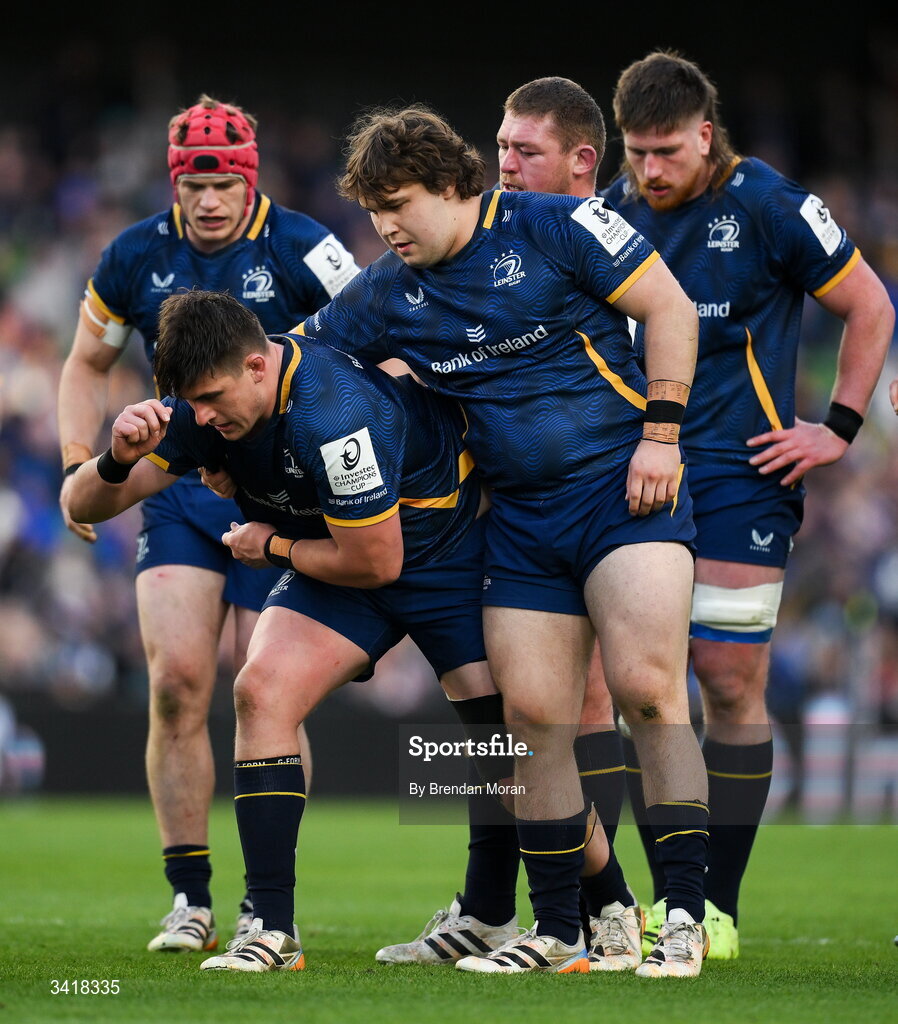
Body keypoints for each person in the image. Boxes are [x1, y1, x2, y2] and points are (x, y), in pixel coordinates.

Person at [299, 104, 712, 978]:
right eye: (373, 210)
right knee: (529, 727)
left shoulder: (556, 225)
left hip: (624, 492)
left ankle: (682, 917)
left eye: (399, 203)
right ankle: (560, 932)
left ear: (452, 186)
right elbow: (295, 363)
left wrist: (662, 435)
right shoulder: (384, 288)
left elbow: (673, 310)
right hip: (519, 522)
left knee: (646, 693)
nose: (384, 226)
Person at [67, 289, 517, 972]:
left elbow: (379, 560)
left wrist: (270, 547)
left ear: (257, 366)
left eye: (215, 398)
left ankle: (505, 914)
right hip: (338, 556)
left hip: (441, 550)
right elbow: (83, 502)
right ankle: (271, 929)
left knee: (501, 730)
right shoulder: (202, 406)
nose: (207, 418)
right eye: (196, 404)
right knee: (261, 688)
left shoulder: (331, 410)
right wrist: (118, 458)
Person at [600, 50, 894, 958]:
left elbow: (870, 305)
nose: (649, 171)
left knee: (727, 679)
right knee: (645, 688)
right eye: (634, 153)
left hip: (741, 473)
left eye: (664, 152)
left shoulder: (769, 205)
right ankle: (669, 901)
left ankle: (714, 905)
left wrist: (837, 428)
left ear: (703, 132)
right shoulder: (610, 212)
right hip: (637, 467)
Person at [56, 94, 361, 953]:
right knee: (176, 684)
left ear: (250, 179)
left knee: (264, 688)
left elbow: (382, 327)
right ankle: (190, 899)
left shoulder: (306, 246)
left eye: (225, 180)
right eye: (195, 182)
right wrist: (82, 458)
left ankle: (271, 897)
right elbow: (86, 363)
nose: (210, 198)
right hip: (180, 486)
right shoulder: (132, 255)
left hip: (280, 496)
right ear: (174, 182)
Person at [375, 77, 638, 973]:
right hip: (491, 519)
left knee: (584, 707)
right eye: (501, 145)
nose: (504, 163)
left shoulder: (594, 237)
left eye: (523, 150)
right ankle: (509, 906)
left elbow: (669, 339)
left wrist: (667, 441)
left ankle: (636, 909)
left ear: (582, 162)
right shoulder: (422, 269)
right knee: (498, 718)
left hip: (612, 496)